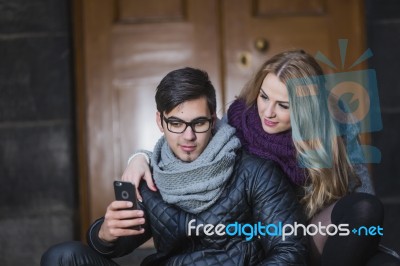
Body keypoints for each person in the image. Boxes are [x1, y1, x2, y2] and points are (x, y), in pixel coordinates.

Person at [124, 51, 400, 266]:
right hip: (265, 239)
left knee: (369, 218)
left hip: (315, 231)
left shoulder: (334, 123)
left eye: (283, 105)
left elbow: (362, 193)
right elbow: (190, 142)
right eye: (264, 97)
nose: (267, 112)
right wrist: (141, 157)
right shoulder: (237, 120)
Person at [41, 67, 308, 265]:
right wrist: (104, 234)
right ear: (160, 121)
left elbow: (290, 251)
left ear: (213, 121)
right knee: (62, 257)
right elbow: (116, 245)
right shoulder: (151, 174)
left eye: (199, 123)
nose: (188, 136)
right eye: (176, 124)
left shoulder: (255, 173)